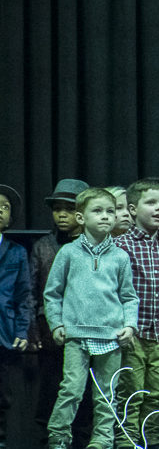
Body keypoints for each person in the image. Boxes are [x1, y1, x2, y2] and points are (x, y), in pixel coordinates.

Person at [44, 188, 139, 449]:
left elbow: (129, 297)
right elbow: (52, 293)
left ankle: (102, 439)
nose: (106, 217)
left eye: (110, 211)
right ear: (81, 217)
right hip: (76, 335)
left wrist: (129, 325)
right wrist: (57, 324)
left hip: (110, 335)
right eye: (97, 211)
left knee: (107, 393)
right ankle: (59, 436)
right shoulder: (69, 253)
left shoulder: (120, 256)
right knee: (72, 389)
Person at [112, 178, 159, 449]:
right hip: (133, 333)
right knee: (131, 392)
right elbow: (116, 293)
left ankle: (152, 440)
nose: (158, 209)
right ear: (132, 209)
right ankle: (127, 441)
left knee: (156, 394)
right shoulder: (120, 246)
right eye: (151, 203)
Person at [29, 178, 89, 443]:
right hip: (50, 330)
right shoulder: (43, 246)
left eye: (69, 208)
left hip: (86, 328)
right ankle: (50, 438)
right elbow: (31, 291)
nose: (62, 215)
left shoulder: (93, 247)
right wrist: (34, 330)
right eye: (57, 209)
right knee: (51, 388)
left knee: (83, 391)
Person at [0, 184, 33, 447]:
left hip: (4, 334)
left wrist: (22, 331)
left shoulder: (17, 252)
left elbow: (24, 296)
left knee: (3, 395)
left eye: (5, 207)